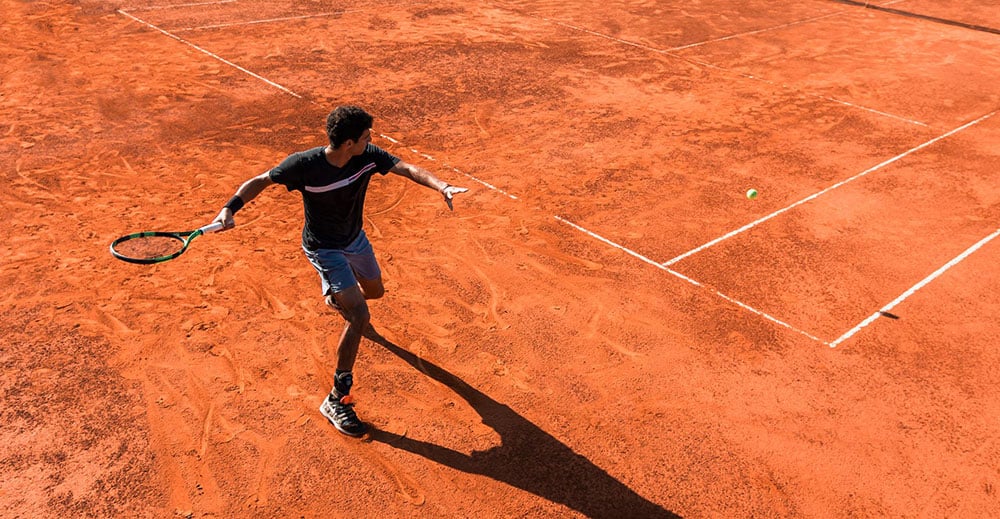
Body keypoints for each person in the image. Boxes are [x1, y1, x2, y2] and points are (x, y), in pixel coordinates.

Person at [212, 105, 468, 437]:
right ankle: (336, 398)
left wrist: (442, 186)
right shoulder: (304, 165)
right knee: (360, 317)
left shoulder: (367, 156)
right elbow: (260, 181)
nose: (371, 140)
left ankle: (339, 296)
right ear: (348, 143)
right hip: (324, 248)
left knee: (375, 293)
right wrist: (228, 210)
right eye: (365, 136)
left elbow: (408, 169)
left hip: (355, 240)